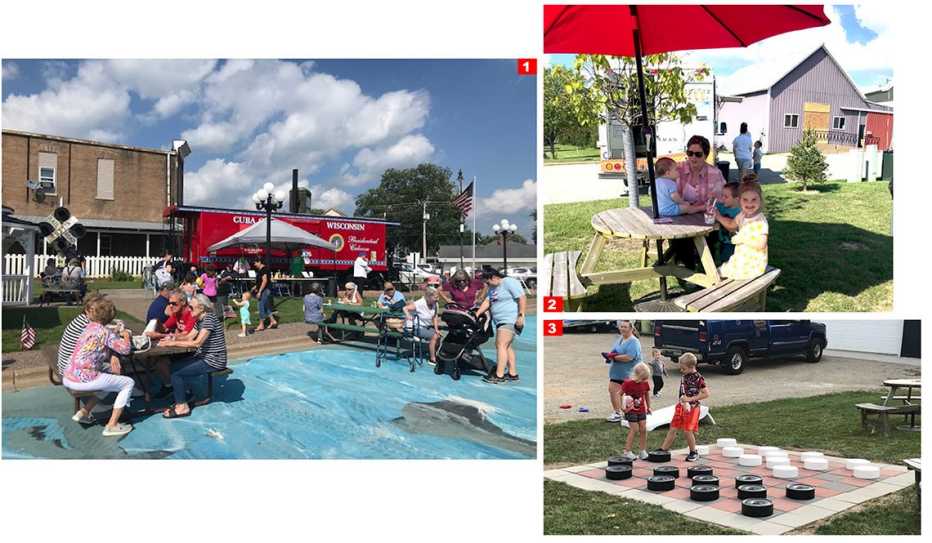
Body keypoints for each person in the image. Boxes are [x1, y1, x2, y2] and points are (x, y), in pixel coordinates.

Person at [63, 296, 135, 437]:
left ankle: (84, 411)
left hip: (69, 375)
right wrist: (126, 335)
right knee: (128, 383)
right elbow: (125, 349)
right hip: (84, 379)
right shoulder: (104, 332)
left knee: (111, 379)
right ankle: (112, 425)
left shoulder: (89, 328)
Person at [159, 294, 228, 419]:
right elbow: (189, 336)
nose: (188, 310)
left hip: (214, 360)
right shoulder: (200, 319)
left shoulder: (209, 319)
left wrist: (173, 343)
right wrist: (170, 337)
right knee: (174, 366)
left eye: (191, 307)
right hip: (205, 357)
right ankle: (184, 394)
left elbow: (197, 343)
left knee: (176, 373)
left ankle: (182, 407)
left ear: (201, 308)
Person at [674, 135, 726, 269]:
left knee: (708, 242)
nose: (693, 158)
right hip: (682, 217)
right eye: (690, 153)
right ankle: (687, 270)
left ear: (706, 155)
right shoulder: (678, 170)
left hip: (705, 219)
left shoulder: (715, 173)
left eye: (698, 154)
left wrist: (695, 208)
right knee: (679, 239)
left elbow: (718, 201)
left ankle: (707, 272)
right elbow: (665, 189)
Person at [475, 269, 526, 384]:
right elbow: (488, 302)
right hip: (500, 321)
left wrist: (521, 315)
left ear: (493, 277)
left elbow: (522, 298)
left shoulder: (508, 282)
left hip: (510, 319)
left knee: (501, 345)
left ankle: (499, 375)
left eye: (487, 282)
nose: (486, 285)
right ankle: (513, 373)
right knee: (506, 346)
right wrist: (477, 314)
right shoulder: (493, 288)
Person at [657, 353, 709, 461]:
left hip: (693, 408)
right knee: (673, 427)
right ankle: (663, 449)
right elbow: (682, 392)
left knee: (687, 430)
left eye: (683, 368)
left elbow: (705, 394)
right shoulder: (684, 376)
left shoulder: (699, 378)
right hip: (680, 406)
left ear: (691, 367)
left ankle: (693, 452)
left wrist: (689, 400)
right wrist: (683, 401)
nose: (681, 370)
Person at [715, 180, 769, 280]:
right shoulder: (742, 215)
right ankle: (720, 289)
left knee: (720, 274)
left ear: (760, 201)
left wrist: (742, 238)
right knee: (718, 272)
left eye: (754, 199)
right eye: (745, 199)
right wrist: (717, 216)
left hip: (754, 263)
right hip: (741, 257)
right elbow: (732, 225)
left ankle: (723, 292)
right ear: (739, 200)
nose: (749, 203)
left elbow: (761, 245)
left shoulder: (760, 221)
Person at [601, 320, 642, 422]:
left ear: (631, 328)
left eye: (625, 327)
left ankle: (631, 414)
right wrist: (609, 355)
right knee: (612, 390)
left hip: (629, 373)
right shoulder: (620, 338)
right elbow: (615, 350)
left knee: (629, 395)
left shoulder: (634, 341)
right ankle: (617, 413)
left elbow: (629, 357)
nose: (622, 329)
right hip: (617, 373)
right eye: (621, 326)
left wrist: (614, 357)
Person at [621, 362, 653, 460]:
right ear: (637, 375)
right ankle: (627, 451)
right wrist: (622, 407)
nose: (644, 380)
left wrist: (649, 407)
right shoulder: (628, 383)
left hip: (642, 410)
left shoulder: (645, 383)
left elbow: (646, 394)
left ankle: (642, 450)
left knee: (643, 429)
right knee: (634, 429)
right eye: (643, 378)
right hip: (631, 411)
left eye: (645, 379)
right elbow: (619, 394)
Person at [402, 286, 441, 365]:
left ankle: (433, 353)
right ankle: (432, 359)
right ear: (429, 297)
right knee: (434, 336)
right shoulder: (420, 303)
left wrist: (436, 329)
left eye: (438, 297)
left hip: (426, 327)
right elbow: (405, 308)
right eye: (435, 297)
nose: (437, 299)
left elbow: (435, 317)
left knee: (438, 336)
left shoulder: (435, 304)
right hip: (416, 327)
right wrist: (408, 315)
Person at [714, 182, 741, 264]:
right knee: (724, 261)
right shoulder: (722, 206)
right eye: (722, 195)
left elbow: (732, 227)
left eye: (726, 197)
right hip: (723, 241)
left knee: (731, 262)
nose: (722, 199)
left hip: (735, 244)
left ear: (736, 199)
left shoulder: (741, 212)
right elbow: (711, 205)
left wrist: (717, 216)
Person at [252, 258, 278, 331]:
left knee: (260, 306)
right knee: (266, 306)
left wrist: (259, 291)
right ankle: (273, 321)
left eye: (255, 263)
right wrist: (255, 287)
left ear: (259, 262)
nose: (254, 265)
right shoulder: (261, 270)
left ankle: (261, 324)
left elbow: (265, 281)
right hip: (264, 290)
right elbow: (260, 282)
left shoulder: (264, 269)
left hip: (265, 290)